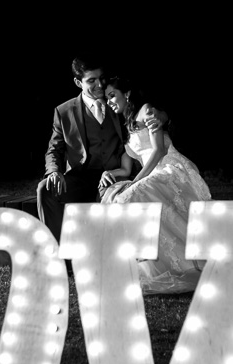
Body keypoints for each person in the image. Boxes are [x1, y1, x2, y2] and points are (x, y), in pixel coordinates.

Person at [98, 76, 212, 295]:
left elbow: (159, 150)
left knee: (129, 196)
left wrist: (136, 182)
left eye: (112, 95)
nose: (109, 101)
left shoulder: (146, 111)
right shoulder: (126, 125)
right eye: (107, 98)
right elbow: (126, 168)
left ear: (126, 94)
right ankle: (151, 265)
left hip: (170, 168)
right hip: (152, 172)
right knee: (117, 199)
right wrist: (109, 173)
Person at [37, 56, 165, 242]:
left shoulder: (116, 101)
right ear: (78, 82)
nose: (99, 85)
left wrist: (161, 117)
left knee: (110, 196)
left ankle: (108, 252)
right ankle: (56, 252)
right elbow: (54, 149)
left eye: (101, 78)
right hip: (80, 177)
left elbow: (147, 111)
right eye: (91, 81)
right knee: (45, 189)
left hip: (115, 175)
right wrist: (54, 172)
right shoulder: (64, 111)